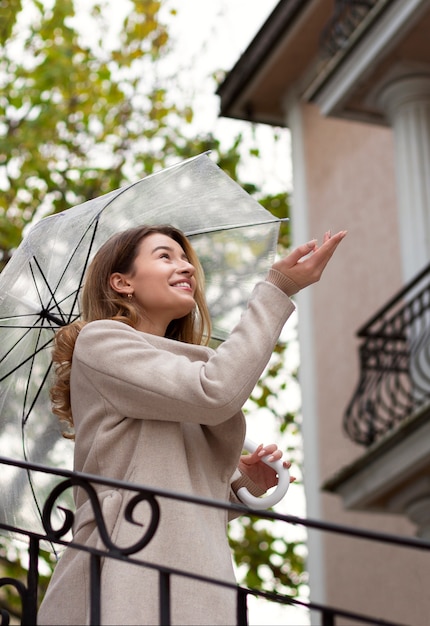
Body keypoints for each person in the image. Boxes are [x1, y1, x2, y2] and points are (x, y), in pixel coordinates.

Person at [38, 224, 346, 626]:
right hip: (129, 574)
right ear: (122, 282)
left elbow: (182, 501)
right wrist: (276, 289)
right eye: (165, 256)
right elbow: (215, 392)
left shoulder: (176, 372)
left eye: (186, 259)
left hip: (196, 577)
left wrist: (242, 486)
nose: (185, 267)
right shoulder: (101, 342)